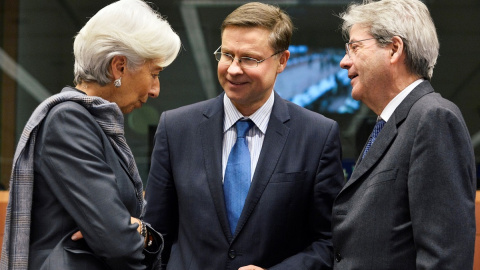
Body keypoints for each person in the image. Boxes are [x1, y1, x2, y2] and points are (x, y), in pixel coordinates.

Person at [144, 2, 345, 270]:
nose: (234, 69)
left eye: (249, 58)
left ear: (282, 61)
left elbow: (329, 241)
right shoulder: (176, 128)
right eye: (227, 55)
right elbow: (157, 233)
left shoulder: (317, 136)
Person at [0, 0, 181, 269]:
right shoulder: (69, 121)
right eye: (153, 73)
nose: (155, 89)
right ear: (118, 67)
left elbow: (119, 234)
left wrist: (139, 231)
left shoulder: (96, 125)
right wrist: (138, 232)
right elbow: (118, 243)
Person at [332, 0, 476, 269]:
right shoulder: (389, 125)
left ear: (394, 48)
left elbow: (444, 258)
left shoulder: (433, 117)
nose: (344, 62)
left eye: (354, 47)